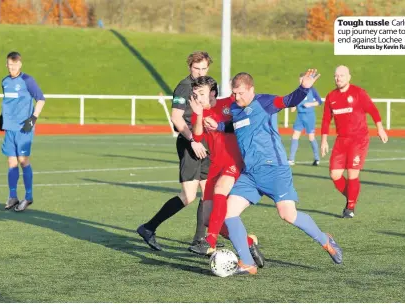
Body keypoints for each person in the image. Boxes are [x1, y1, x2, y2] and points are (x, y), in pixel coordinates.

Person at [207, 70, 343, 275]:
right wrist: (217, 125)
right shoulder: (235, 108)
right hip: (251, 174)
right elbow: (234, 125)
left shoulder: (265, 102)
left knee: (288, 215)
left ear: (251, 89)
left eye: (241, 93)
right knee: (229, 213)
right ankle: (247, 263)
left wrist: (304, 87)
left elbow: (289, 100)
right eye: (234, 93)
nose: (236, 97)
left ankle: (325, 240)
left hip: (274, 170)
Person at [137, 51, 219, 250]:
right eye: (196, 68)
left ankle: (200, 240)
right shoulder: (184, 87)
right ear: (189, 67)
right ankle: (148, 228)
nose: (200, 72)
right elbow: (176, 118)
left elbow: (214, 105)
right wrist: (193, 140)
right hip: (190, 142)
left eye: (204, 68)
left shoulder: (210, 83)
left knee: (209, 191)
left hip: (207, 142)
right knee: (188, 196)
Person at [186, 76, 265, 268]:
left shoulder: (228, 103)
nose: (198, 97)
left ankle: (210, 242)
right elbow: (197, 136)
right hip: (215, 164)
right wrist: (197, 114)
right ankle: (248, 243)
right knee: (207, 218)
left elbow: (246, 106)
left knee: (221, 189)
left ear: (213, 92)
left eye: (202, 93)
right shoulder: (199, 113)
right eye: (196, 94)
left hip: (234, 160)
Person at [320, 65, 388, 219]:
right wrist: (324, 140)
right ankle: (352, 196)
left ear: (349, 77)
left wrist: (380, 128)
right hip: (341, 140)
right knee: (334, 174)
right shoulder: (331, 96)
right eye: (336, 76)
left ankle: (350, 207)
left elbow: (373, 110)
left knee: (352, 173)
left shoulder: (358, 93)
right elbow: (325, 119)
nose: (338, 78)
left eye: (342, 75)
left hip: (359, 139)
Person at [0, 51, 46, 212]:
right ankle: (12, 196)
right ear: (6, 65)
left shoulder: (27, 80)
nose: (12, 67)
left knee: (23, 160)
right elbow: (7, 102)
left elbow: (40, 99)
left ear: (20, 64)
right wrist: (1, 117)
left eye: (15, 65)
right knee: (11, 162)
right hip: (10, 128)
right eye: (9, 65)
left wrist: (33, 118)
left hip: (24, 128)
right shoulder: (5, 81)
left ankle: (28, 196)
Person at [288, 72, 323, 166]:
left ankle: (317, 158)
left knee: (311, 137)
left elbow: (319, 101)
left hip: (309, 116)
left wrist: (310, 104)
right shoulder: (298, 91)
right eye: (300, 80)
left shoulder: (312, 90)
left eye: (303, 79)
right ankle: (291, 159)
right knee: (295, 136)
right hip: (300, 116)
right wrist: (293, 106)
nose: (301, 81)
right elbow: (293, 104)